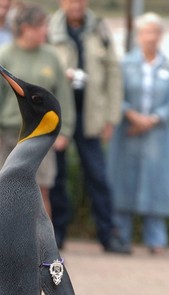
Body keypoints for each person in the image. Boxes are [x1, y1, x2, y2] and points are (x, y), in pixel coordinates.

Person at [48, 0, 128, 253]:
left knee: (98, 176)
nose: (77, 5)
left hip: (91, 114)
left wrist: (111, 117)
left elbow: (114, 74)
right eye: (71, 0)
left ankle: (109, 234)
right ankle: (56, 234)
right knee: (57, 177)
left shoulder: (100, 29)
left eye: (81, 0)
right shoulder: (50, 29)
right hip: (59, 115)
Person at [0, 3, 75, 217]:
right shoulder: (4, 55)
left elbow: (63, 96)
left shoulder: (51, 56)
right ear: (26, 28)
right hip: (7, 135)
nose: (46, 31)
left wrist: (65, 129)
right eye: (42, 26)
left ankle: (41, 247)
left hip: (40, 136)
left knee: (41, 191)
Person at [107, 12, 169, 255]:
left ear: (161, 36)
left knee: (156, 183)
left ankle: (156, 239)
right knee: (123, 180)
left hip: (157, 134)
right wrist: (132, 116)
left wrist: (152, 119)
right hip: (128, 131)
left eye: (155, 32)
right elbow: (115, 94)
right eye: (146, 32)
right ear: (139, 36)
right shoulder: (125, 63)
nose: (151, 37)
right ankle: (121, 236)